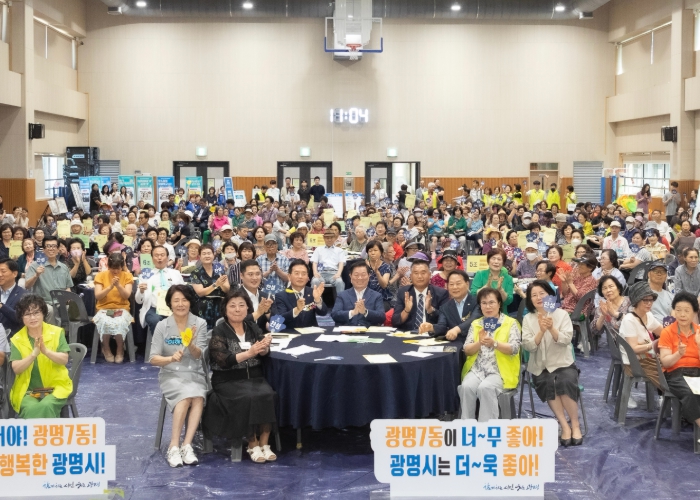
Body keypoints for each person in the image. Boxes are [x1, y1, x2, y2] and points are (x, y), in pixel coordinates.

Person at [202, 289, 277, 464]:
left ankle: (264, 443)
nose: (237, 309)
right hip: (227, 379)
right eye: (233, 306)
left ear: (247, 308)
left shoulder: (252, 326)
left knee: (269, 394)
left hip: (254, 377)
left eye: (241, 305)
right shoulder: (219, 330)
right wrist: (249, 353)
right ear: (225, 309)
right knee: (248, 397)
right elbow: (223, 360)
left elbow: (263, 351)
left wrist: (264, 347)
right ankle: (252, 443)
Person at [149, 285, 209, 467]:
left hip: (194, 372)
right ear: (170, 303)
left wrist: (190, 345)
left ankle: (186, 445)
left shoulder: (199, 323)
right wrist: (170, 358)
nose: (180, 304)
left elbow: (199, 355)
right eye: (176, 300)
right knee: (185, 396)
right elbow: (153, 359)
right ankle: (173, 446)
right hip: (171, 374)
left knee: (198, 396)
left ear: (190, 302)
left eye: (184, 300)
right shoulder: (162, 326)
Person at [521, 280, 582, 446]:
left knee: (564, 381)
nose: (538, 297)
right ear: (530, 299)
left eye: (542, 293)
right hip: (540, 366)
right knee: (549, 383)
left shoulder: (561, 314)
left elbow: (566, 340)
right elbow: (528, 346)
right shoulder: (528, 318)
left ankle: (575, 424)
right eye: (534, 295)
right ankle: (564, 425)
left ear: (550, 295)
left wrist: (551, 328)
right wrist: (541, 331)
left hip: (563, 363)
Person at [459, 288, 521, 422]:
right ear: (480, 306)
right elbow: (467, 350)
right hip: (477, 369)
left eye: (492, 302)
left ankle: (486, 429)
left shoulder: (510, 323)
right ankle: (466, 427)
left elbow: (514, 349)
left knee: (485, 388)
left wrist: (494, 343)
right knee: (466, 387)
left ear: (499, 304)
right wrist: (479, 343)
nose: (488, 307)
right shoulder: (476, 324)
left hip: (501, 371)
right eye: (484, 303)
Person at [9, 294, 72, 418]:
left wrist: (46, 351)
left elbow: (64, 359)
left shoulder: (56, 332)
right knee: (30, 407)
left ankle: (33, 431)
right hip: (27, 391)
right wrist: (33, 354)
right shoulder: (16, 339)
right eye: (27, 314)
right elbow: (16, 368)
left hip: (55, 388)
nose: (32, 317)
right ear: (21, 317)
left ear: (43, 313)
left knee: (46, 405)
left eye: (36, 313)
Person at [658, 291, 700, 438]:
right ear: (674, 311)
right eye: (678, 310)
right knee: (689, 393)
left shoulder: (699, 331)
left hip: (696, 372)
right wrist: (678, 354)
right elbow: (665, 361)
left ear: (694, 313)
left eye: (687, 311)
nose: (682, 314)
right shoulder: (667, 332)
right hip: (674, 373)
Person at [618, 281, 664, 406]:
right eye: (645, 300)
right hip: (635, 362)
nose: (649, 303)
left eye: (651, 299)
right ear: (636, 301)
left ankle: (668, 398)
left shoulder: (648, 315)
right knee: (669, 374)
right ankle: (670, 398)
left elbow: (663, 332)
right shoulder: (629, 320)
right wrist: (654, 344)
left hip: (647, 357)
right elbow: (634, 348)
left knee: (674, 365)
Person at [92, 253, 134, 363]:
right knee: (105, 321)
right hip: (104, 308)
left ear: (122, 266)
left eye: (118, 268)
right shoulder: (100, 276)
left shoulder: (127, 276)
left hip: (122, 308)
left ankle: (120, 349)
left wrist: (118, 285)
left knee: (119, 321)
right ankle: (106, 348)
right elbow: (98, 296)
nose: (115, 271)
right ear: (108, 266)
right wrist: (110, 287)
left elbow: (126, 295)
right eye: (113, 268)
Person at [135, 245, 185, 333]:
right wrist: (141, 291)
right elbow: (138, 300)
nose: (159, 258)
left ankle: (172, 341)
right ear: (151, 258)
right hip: (154, 309)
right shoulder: (145, 275)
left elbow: (184, 293)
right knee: (155, 321)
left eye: (162, 255)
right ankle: (160, 342)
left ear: (167, 258)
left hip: (174, 308)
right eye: (156, 255)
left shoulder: (175, 274)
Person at [24, 236, 73, 325]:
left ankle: (67, 332)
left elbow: (68, 287)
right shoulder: (35, 266)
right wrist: (36, 275)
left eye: (54, 246)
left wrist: (68, 298)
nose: (51, 249)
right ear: (43, 249)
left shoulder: (64, 267)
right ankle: (51, 333)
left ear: (58, 249)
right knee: (50, 310)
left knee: (72, 308)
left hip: (60, 301)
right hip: (42, 302)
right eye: (48, 246)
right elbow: (27, 285)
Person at [420, 270, 481, 340]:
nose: (455, 287)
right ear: (447, 286)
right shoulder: (445, 307)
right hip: (455, 344)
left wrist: (456, 330)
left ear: (467, 284)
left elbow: (473, 319)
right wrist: (431, 327)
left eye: (458, 283)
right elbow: (442, 326)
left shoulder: (477, 302)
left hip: (475, 342)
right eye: (451, 284)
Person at [392, 259, 449, 330]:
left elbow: (445, 321)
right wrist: (406, 310)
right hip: (408, 333)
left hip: (430, 333)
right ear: (411, 276)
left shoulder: (441, 293)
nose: (419, 276)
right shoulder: (404, 292)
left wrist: (431, 310)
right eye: (416, 273)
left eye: (423, 273)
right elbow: (395, 322)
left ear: (430, 275)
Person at [272, 259, 326, 328]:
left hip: (311, 332)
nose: (300, 277)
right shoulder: (281, 296)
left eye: (304, 274)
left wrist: (318, 300)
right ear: (289, 276)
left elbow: (323, 313)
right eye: (296, 273)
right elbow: (280, 319)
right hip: (291, 332)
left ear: (308, 277)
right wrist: (297, 310)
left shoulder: (313, 292)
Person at [331, 261, 386, 327]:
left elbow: (382, 317)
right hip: (347, 330)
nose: (360, 278)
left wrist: (365, 312)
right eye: (356, 275)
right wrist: (352, 312)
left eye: (363, 275)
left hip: (368, 331)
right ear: (350, 276)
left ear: (369, 276)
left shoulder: (377, 296)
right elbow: (334, 315)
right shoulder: (342, 295)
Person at [191, 244, 231, 330]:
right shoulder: (196, 272)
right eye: (204, 254)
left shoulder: (219, 268)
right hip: (204, 305)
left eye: (209, 253)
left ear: (213, 255)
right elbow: (200, 292)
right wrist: (215, 284)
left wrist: (222, 284)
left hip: (220, 304)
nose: (207, 256)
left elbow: (227, 289)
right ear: (199, 256)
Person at [470, 248, 513, 313]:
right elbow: (473, 294)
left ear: (503, 262)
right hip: (482, 313)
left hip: (501, 314)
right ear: (488, 260)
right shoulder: (480, 274)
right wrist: (485, 287)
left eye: (499, 259)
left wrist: (501, 290)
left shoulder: (508, 278)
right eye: (493, 258)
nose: (496, 262)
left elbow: (508, 301)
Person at [310, 229, 346, 295]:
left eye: (331, 238)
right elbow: (314, 262)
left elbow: (341, 263)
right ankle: (314, 300)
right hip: (321, 273)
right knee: (315, 280)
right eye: (327, 238)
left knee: (339, 282)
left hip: (334, 273)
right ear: (324, 238)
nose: (329, 240)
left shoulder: (339, 250)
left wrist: (338, 273)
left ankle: (340, 301)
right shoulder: (318, 249)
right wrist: (315, 272)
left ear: (335, 238)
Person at [365, 241, 394, 311]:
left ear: (381, 252)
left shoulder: (386, 266)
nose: (372, 253)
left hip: (382, 299)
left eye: (375, 250)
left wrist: (377, 272)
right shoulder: (364, 266)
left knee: (377, 311)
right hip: (366, 298)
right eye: (370, 251)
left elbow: (384, 285)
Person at [0, 258, 26, 334]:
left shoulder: (24, 295)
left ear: (14, 274)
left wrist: (2, 307)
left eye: (3, 271)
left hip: (12, 336)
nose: (0, 274)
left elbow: (22, 319)